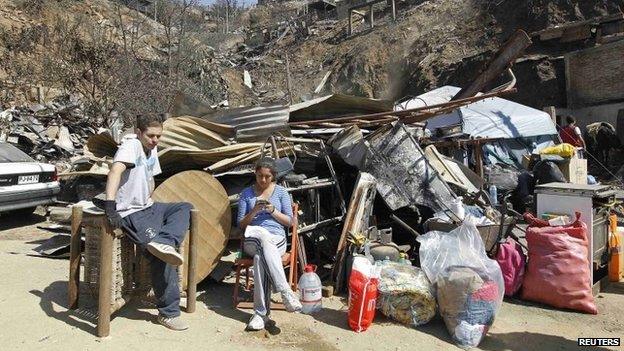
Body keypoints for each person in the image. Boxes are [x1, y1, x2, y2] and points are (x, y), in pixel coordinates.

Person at [99, 113, 193, 331]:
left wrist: (149, 199)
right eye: (150, 136)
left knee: (183, 207)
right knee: (162, 258)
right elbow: (115, 171)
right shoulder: (130, 146)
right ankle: (168, 313)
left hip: (148, 206)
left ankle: (165, 241)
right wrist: (110, 205)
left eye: (158, 136)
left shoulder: (152, 149)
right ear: (138, 132)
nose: (155, 140)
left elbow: (150, 177)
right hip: (131, 212)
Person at [237, 157, 302, 331]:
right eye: (260, 176)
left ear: (273, 176)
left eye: (267, 176)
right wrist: (254, 211)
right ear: (255, 174)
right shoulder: (247, 194)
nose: (263, 180)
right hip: (253, 236)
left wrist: (273, 211)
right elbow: (241, 225)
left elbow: (290, 222)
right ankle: (285, 291)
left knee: (260, 258)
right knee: (262, 241)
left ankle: (260, 314)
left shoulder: (281, 192)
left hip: (276, 237)